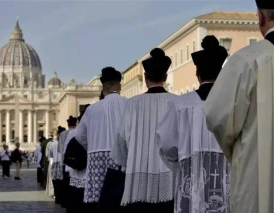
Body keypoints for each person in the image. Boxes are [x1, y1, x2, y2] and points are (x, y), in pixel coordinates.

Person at [203, 1, 274, 213]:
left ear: (261, 17)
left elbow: (217, 117)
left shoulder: (247, 60)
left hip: (259, 175)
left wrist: (234, 151)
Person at [156, 36, 230, 213]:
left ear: (197, 73)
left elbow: (166, 144)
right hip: (230, 181)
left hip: (193, 180)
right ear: (221, 72)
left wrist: (183, 159)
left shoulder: (181, 104)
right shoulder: (235, 102)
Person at [111, 48, 177, 213]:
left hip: (138, 174)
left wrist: (130, 161)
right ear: (166, 77)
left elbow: (121, 140)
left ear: (145, 78)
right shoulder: (178, 102)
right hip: (171, 177)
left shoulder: (133, 104)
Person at [76, 67, 127, 212]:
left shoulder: (92, 109)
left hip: (97, 160)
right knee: (120, 200)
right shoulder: (130, 104)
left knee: (99, 202)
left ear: (103, 87)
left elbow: (80, 136)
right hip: (123, 160)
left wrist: (92, 146)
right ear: (120, 86)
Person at [65, 105, 90, 213]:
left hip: (76, 173)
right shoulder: (95, 131)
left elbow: (66, 152)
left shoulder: (73, 133)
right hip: (89, 174)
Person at [59, 116, 78, 208]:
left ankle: (64, 202)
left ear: (68, 124)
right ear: (76, 123)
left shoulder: (63, 134)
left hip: (64, 161)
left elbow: (60, 149)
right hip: (74, 162)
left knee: (65, 183)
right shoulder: (77, 132)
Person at [50, 126, 66, 204]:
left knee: (55, 182)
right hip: (62, 164)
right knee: (62, 182)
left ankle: (57, 197)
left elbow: (50, 156)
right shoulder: (65, 142)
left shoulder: (52, 144)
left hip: (55, 164)